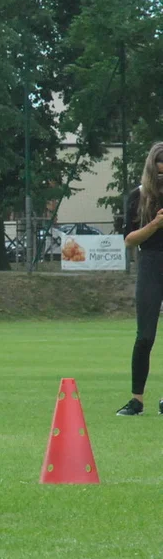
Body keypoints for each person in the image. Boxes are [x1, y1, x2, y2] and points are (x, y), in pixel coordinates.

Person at [117, 142, 163, 417]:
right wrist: (155, 224)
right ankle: (137, 399)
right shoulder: (138, 197)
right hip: (150, 264)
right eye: (159, 174)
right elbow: (129, 240)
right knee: (145, 335)